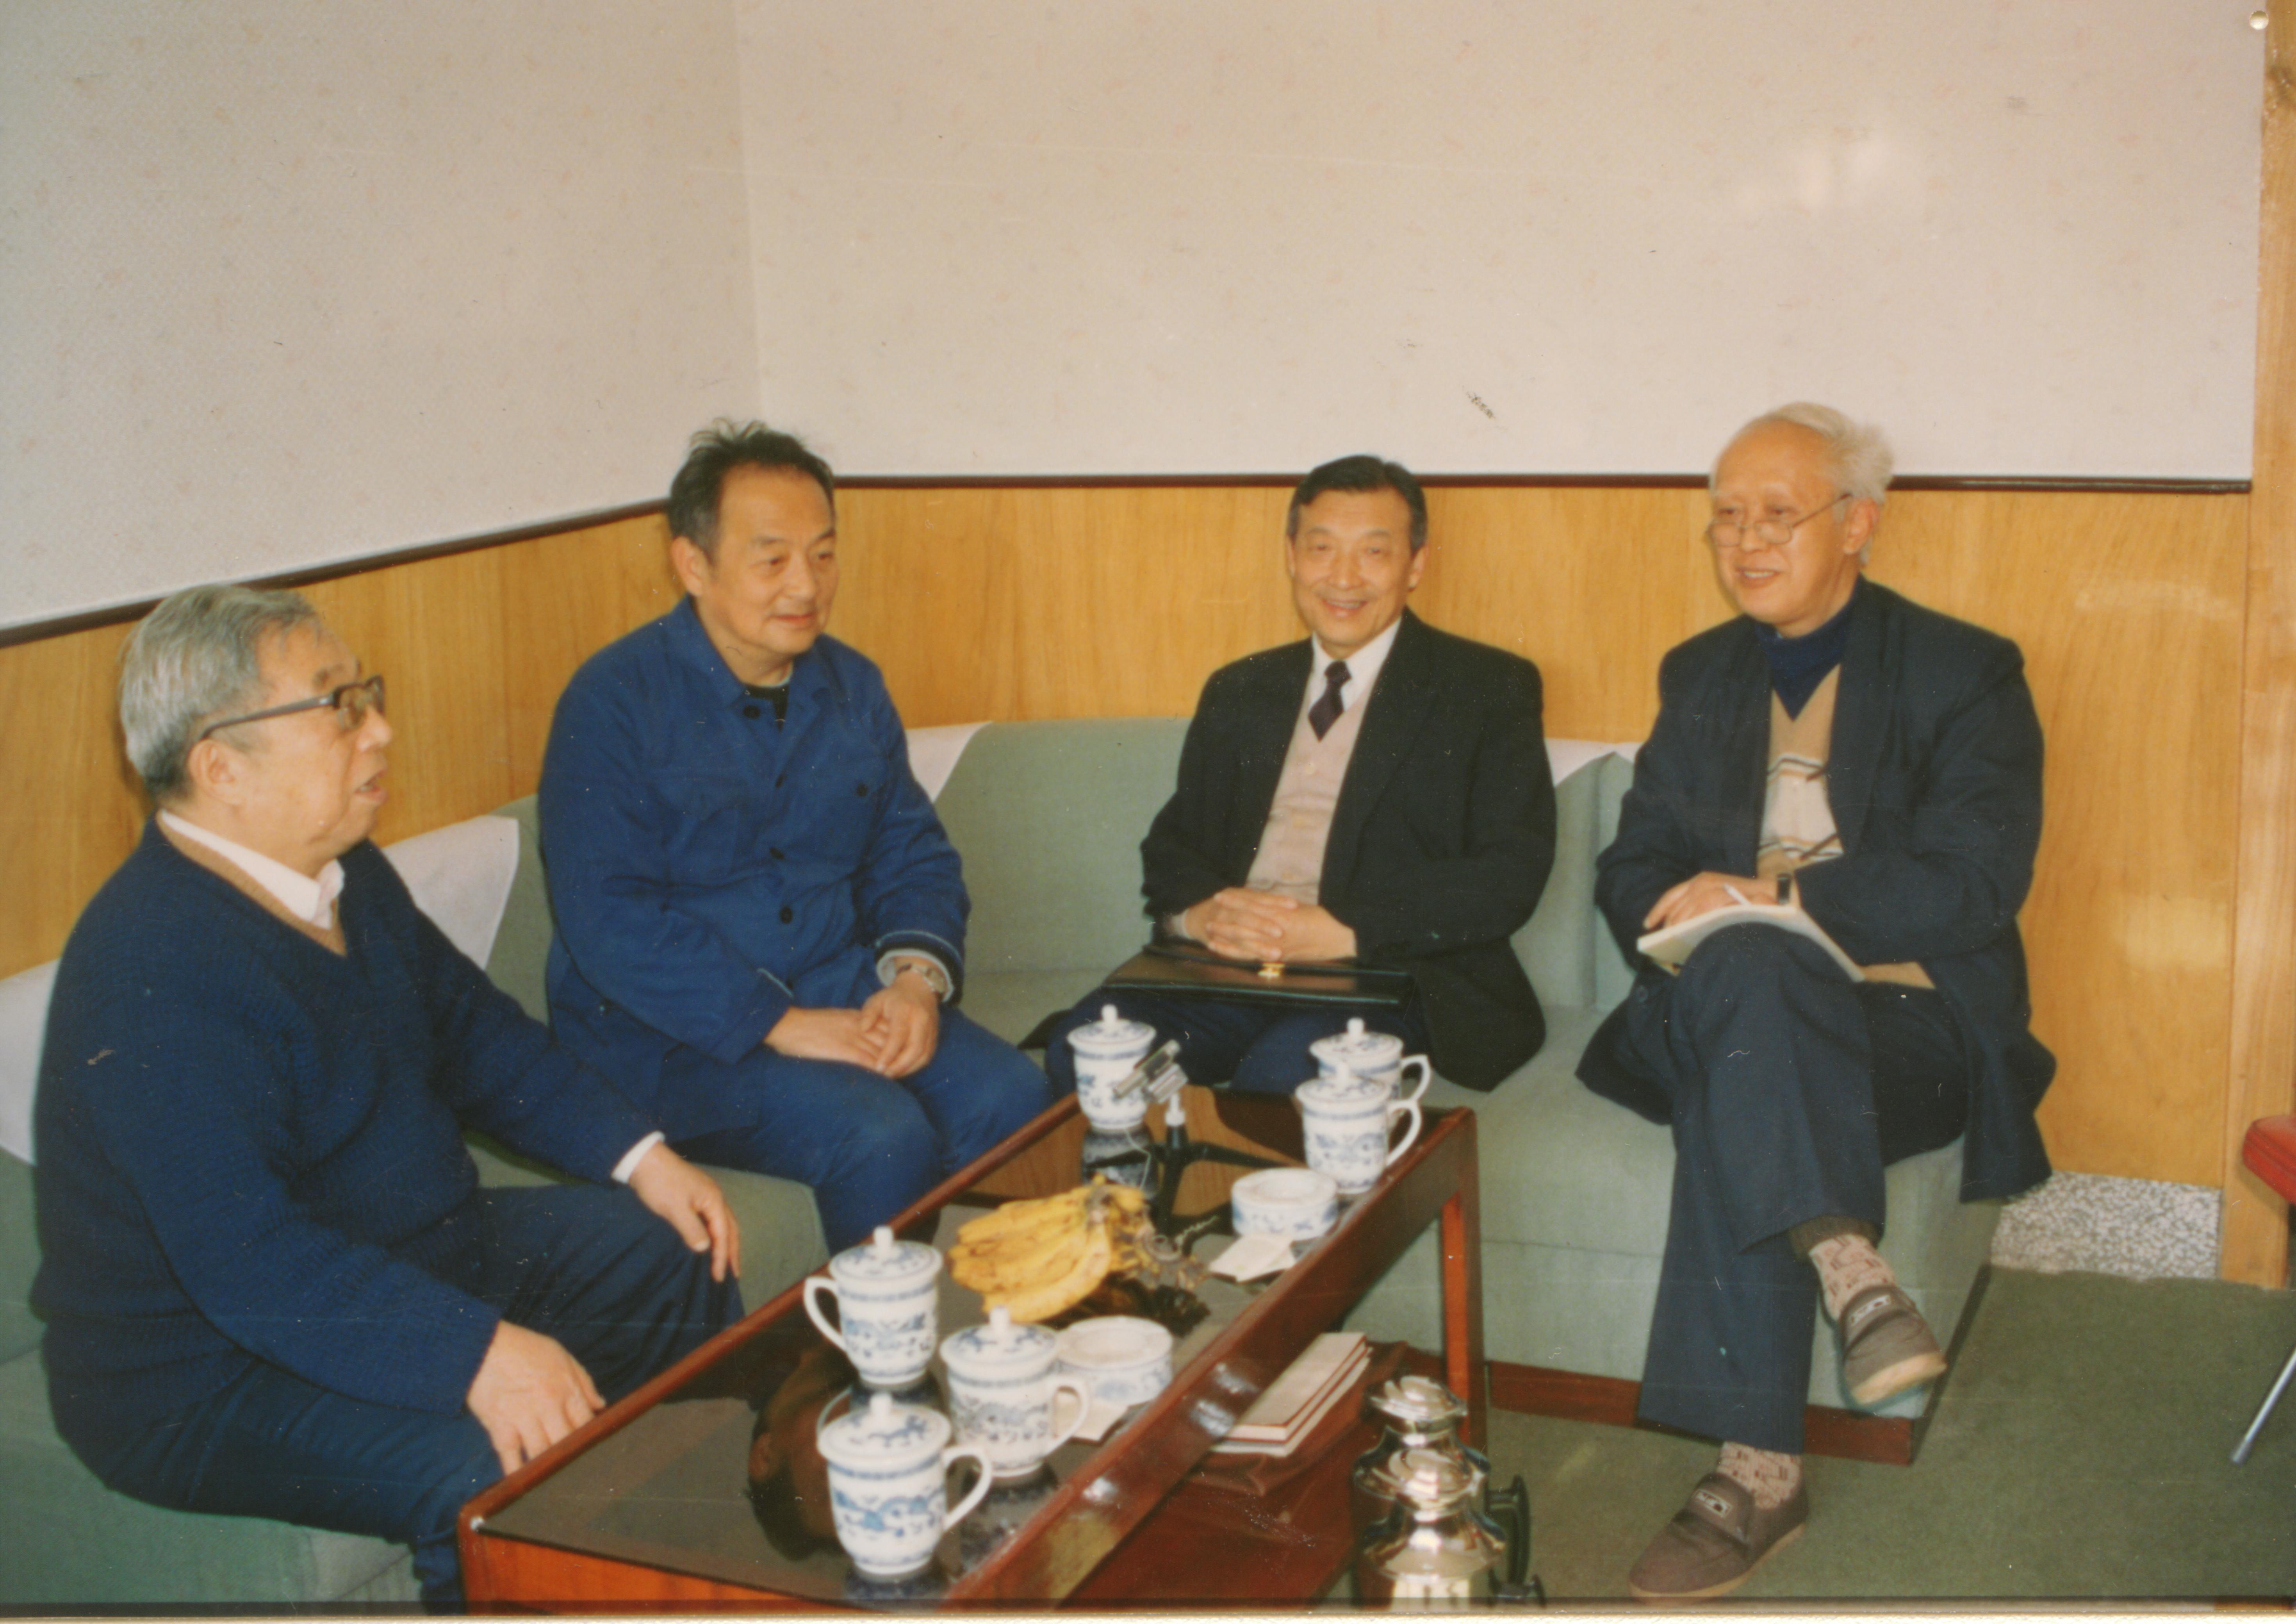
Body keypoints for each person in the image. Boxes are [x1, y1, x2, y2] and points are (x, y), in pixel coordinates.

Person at [32, 586, 742, 1613]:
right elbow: (251, 1262)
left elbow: (475, 1034)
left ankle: (694, 1571)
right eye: (337, 707)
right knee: (487, 1466)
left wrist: (643, 1155)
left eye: (366, 693)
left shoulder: (345, 872)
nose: (380, 730)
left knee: (675, 1250)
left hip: (397, 1256)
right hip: (206, 1368)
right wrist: (474, 1354)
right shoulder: (151, 967)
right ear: (221, 768)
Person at [1578, 405, 2055, 1601]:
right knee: (1749, 979)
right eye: (1727, 517)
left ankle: (1758, 1471)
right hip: (1714, 1001)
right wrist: (1693, 909)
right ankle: (1850, 1265)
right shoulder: (1700, 673)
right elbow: (1629, 864)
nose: (1746, 540)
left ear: (1858, 525)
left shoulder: (1964, 670)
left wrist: (1776, 892)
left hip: (1903, 1021)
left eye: (1777, 514)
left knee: (1752, 1051)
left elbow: (1977, 880)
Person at [539, 422, 1052, 1253]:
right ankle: (869, 1338)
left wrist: (914, 983)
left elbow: (910, 853)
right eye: (771, 559)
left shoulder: (852, 685)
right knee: (880, 1133)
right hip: (667, 1038)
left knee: (1013, 1099)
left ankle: (989, 1319)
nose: (806, 586)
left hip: (839, 985)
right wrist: (777, 1022)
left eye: (823, 554)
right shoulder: (612, 703)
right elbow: (608, 919)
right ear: (693, 565)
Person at [1043, 453, 1556, 1096]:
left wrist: (1344, 931)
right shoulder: (1240, 688)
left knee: (1280, 1084)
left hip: (1385, 975)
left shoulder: (1485, 688)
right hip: (1226, 970)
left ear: (1416, 564)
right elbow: (1175, 843)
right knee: (1084, 1056)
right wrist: (1204, 916)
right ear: (1291, 556)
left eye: (1374, 552)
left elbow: (1509, 872)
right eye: (1321, 548)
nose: (1343, 577)